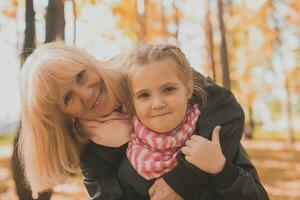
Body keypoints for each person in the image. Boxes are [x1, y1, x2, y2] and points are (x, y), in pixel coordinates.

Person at [19, 43, 268, 200]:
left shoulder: (147, 70)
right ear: (62, 114)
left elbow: (225, 108)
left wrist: (181, 180)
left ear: (90, 64)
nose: (85, 94)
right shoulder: (94, 155)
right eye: (67, 97)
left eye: (81, 76)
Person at [115, 44, 269, 200]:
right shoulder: (129, 168)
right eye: (144, 95)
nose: (157, 104)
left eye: (168, 90)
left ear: (188, 90)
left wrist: (222, 171)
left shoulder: (213, 137)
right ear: (132, 103)